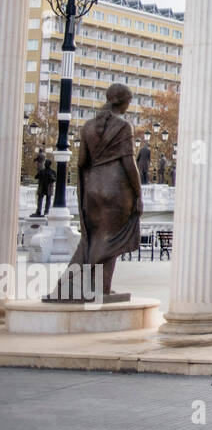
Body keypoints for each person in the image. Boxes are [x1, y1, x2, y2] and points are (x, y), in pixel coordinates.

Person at [53, 84, 141, 298]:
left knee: (93, 237)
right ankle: (100, 288)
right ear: (124, 102)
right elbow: (129, 164)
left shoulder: (88, 127)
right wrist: (138, 193)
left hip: (92, 187)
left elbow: (82, 161)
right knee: (111, 240)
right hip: (116, 188)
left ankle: (78, 284)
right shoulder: (123, 126)